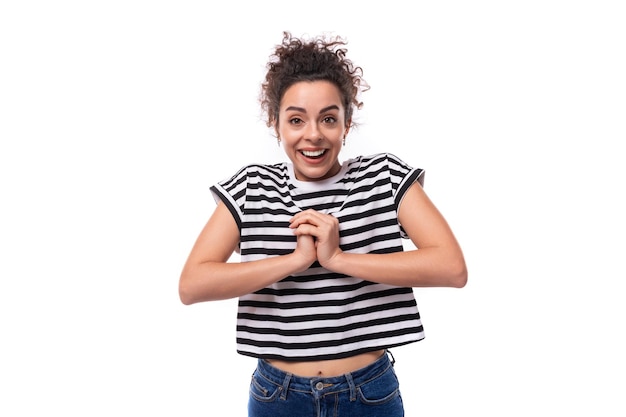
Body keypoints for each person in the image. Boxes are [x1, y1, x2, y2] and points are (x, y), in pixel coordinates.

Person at [179, 31, 467, 417]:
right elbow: (192, 284)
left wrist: (337, 258)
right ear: (275, 123)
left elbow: (451, 268)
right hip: (277, 395)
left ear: (347, 123)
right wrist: (295, 261)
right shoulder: (252, 187)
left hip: (367, 392)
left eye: (328, 118)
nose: (312, 135)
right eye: (296, 120)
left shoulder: (383, 177)